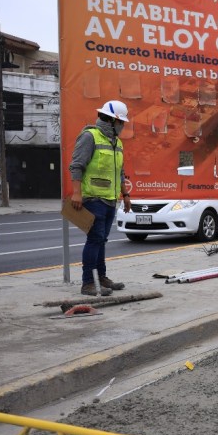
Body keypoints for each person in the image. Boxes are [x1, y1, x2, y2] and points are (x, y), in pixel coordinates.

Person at [69, 100, 132, 296]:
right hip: (93, 198)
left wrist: (126, 195)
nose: (123, 126)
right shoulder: (90, 136)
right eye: (121, 122)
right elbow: (76, 165)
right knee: (95, 239)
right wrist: (77, 192)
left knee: (101, 240)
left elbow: (120, 172)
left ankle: (101, 277)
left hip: (110, 199)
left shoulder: (117, 142)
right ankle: (88, 282)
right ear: (112, 120)